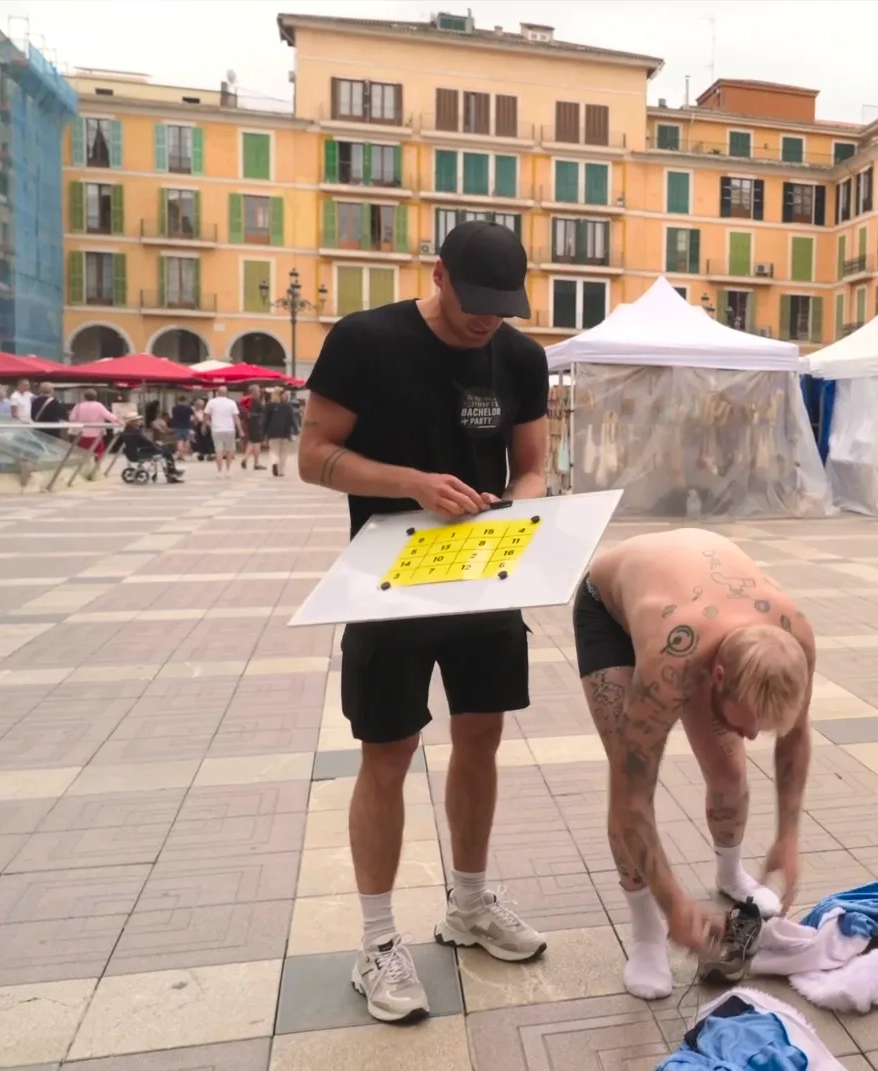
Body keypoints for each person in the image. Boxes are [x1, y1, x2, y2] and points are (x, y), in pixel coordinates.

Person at [298, 220, 551, 1023]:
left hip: (484, 580)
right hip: (387, 581)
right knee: (388, 752)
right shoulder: (364, 340)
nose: (487, 322)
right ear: (436, 274)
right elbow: (313, 454)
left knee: (481, 737)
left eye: (502, 308)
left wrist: (529, 510)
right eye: (475, 304)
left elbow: (535, 465)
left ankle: (469, 907)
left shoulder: (519, 354)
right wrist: (410, 482)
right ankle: (377, 943)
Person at [571, 528, 814, 1001]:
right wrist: (672, 903)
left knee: (729, 771)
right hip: (611, 608)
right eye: (747, 723)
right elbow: (631, 799)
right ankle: (645, 934)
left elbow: (796, 737)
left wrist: (788, 835)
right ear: (716, 678)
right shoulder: (671, 664)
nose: (749, 735)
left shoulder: (795, 638)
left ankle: (730, 872)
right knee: (629, 773)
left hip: (704, 607)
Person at [262, 387, 299, 477]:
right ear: (282, 395)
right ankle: (281, 471)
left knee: (273, 451)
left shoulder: (269, 406)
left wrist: (263, 433)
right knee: (284, 452)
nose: (286, 396)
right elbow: (292, 420)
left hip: (272, 432)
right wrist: (297, 430)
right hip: (285, 432)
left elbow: (265, 420)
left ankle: (275, 462)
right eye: (285, 394)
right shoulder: (288, 406)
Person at [205, 386, 241, 473]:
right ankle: (228, 470)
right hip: (229, 429)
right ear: (226, 393)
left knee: (218, 451)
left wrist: (211, 425)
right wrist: (240, 429)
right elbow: (236, 418)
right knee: (229, 450)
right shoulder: (232, 403)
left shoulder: (211, 402)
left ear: (217, 392)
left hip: (217, 430)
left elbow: (206, 417)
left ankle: (219, 470)